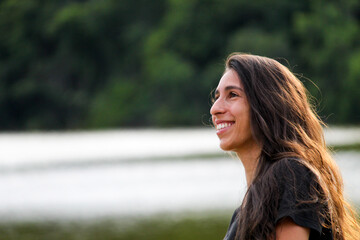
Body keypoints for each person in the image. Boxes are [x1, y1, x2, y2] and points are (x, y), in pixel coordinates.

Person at [210, 53, 360, 240]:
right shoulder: (242, 212)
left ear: (266, 103)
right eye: (216, 97)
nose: (215, 108)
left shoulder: (291, 174)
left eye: (232, 95)